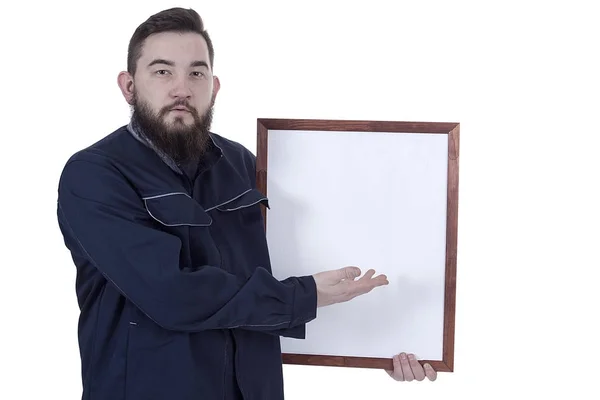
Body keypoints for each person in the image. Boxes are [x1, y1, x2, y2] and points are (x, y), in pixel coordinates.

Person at [56, 7, 436, 400]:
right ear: (129, 85)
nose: (181, 88)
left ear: (214, 86)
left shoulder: (242, 164)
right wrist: (302, 297)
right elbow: (172, 294)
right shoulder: (95, 175)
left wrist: (386, 341)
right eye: (162, 71)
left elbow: (293, 267)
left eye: (196, 73)